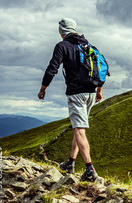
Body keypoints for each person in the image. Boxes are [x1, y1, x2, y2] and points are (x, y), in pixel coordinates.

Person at [38, 18, 101, 181]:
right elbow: (101, 68)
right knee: (77, 127)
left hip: (76, 93)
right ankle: (71, 163)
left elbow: (53, 68)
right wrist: (99, 91)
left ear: (62, 32)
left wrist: (43, 88)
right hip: (91, 92)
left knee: (79, 130)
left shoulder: (62, 46)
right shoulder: (88, 45)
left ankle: (90, 170)